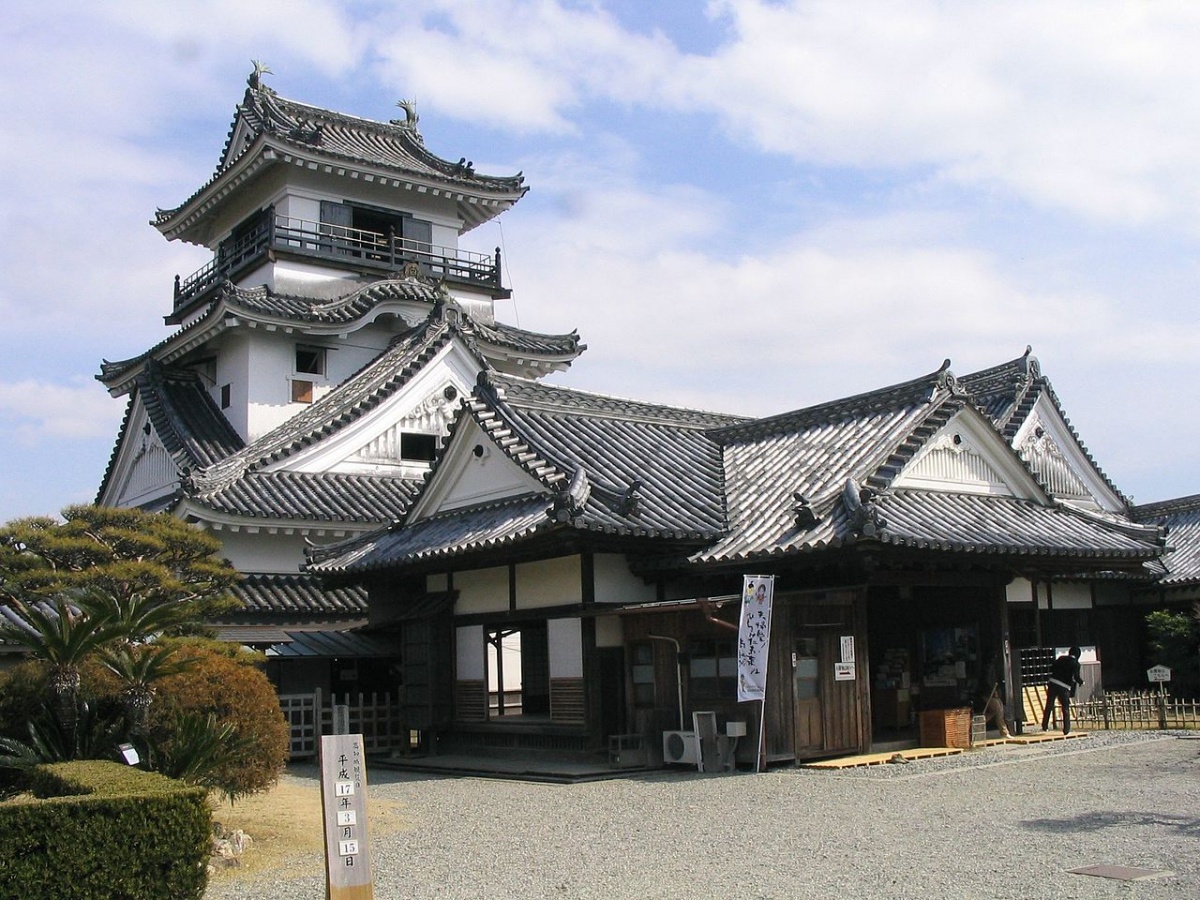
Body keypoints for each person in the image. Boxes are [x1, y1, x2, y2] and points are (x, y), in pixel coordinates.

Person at [1041, 646, 1084, 734]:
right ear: (1078, 654)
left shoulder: (1060, 658)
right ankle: (1066, 729)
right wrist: (1081, 682)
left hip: (1053, 683)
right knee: (1065, 707)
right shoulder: (1076, 664)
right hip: (1064, 686)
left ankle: (1044, 725)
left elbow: (1052, 668)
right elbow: (1076, 677)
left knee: (1049, 704)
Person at [976, 657, 1010, 738]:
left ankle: (978, 726)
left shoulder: (989, 668)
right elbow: (988, 681)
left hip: (990, 692)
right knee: (998, 710)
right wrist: (993, 690)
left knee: (996, 711)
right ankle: (1004, 732)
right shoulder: (989, 668)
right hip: (989, 693)